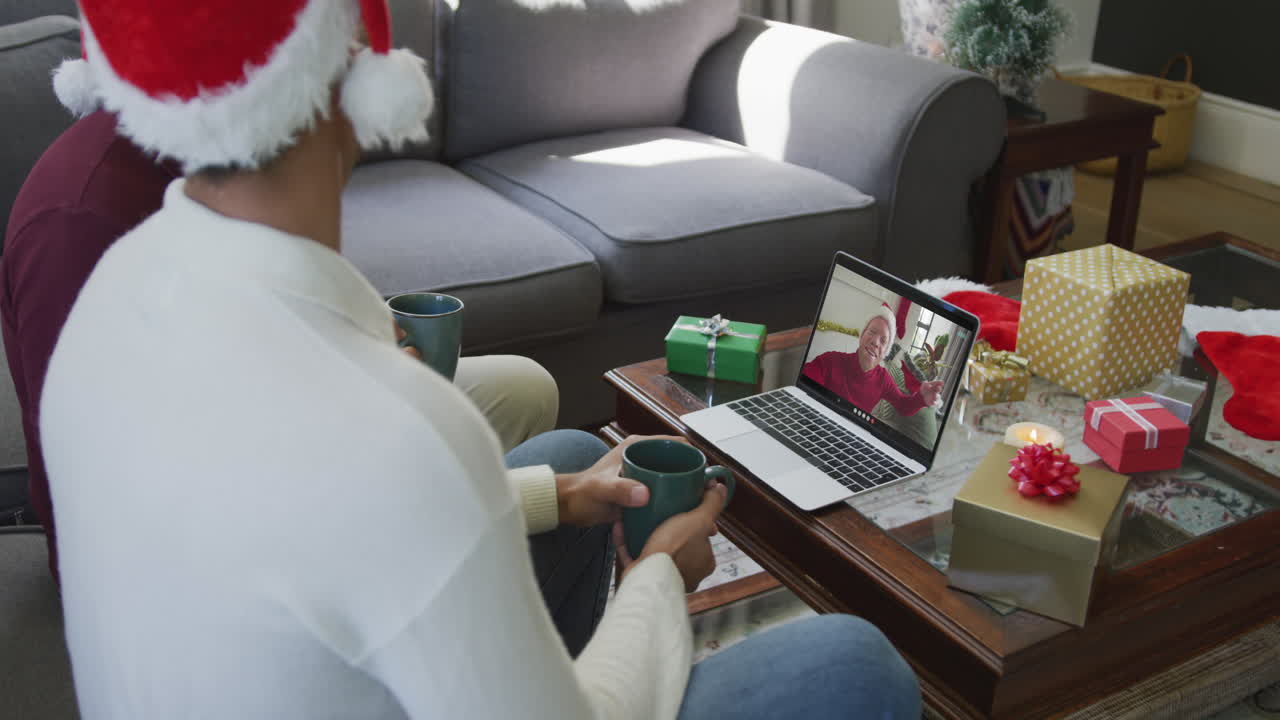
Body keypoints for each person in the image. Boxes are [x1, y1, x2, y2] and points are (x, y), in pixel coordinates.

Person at [38, 1, 922, 718]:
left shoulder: (109, 298)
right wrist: (657, 581)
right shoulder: (399, 438)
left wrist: (552, 497)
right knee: (855, 662)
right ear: (352, 63)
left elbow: (287, 519)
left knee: (575, 463)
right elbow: (368, 499)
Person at [1, 109, 557, 584]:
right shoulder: (81, 222)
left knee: (524, 389)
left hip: (262, 440)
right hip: (169, 558)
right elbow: (129, 493)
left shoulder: (218, 151)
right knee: (568, 469)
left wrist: (343, 339)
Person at [804, 305, 942, 416]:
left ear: (885, 353)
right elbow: (806, 386)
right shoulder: (830, 361)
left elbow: (903, 405)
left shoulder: (883, 380)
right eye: (872, 332)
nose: (876, 342)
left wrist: (921, 399)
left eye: (883, 340)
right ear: (862, 336)